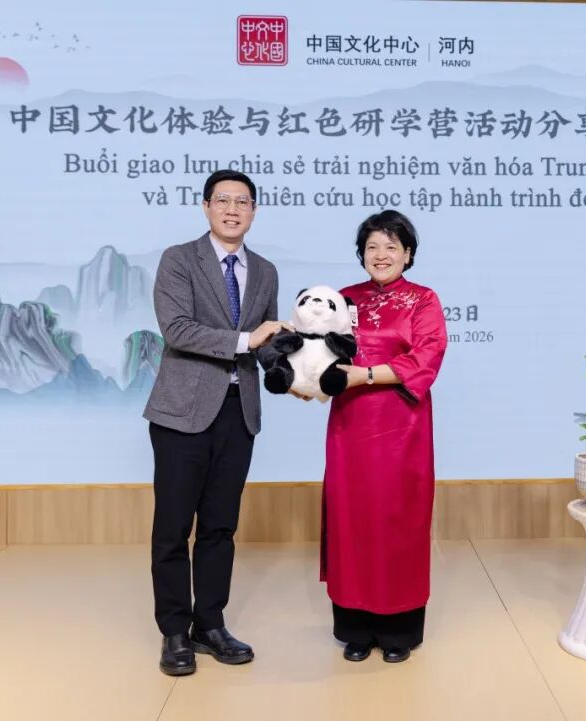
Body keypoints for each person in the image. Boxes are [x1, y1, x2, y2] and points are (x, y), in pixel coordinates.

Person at [144, 170, 289, 676]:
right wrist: (248, 341)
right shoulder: (179, 259)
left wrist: (296, 369)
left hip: (238, 411)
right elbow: (177, 330)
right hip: (181, 413)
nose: (232, 209)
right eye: (222, 200)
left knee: (220, 527)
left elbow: (267, 342)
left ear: (254, 211)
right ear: (205, 206)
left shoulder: (265, 271)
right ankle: (173, 632)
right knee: (172, 528)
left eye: (242, 202)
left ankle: (210, 624)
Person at [321, 209, 448, 663]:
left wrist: (366, 375)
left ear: (407, 254)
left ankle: (398, 632)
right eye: (372, 247)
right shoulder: (342, 300)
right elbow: (319, 353)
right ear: (361, 254)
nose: (381, 254)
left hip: (402, 428)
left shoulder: (424, 300)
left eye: (391, 247)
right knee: (351, 518)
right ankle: (356, 628)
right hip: (350, 427)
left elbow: (428, 356)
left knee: (399, 520)